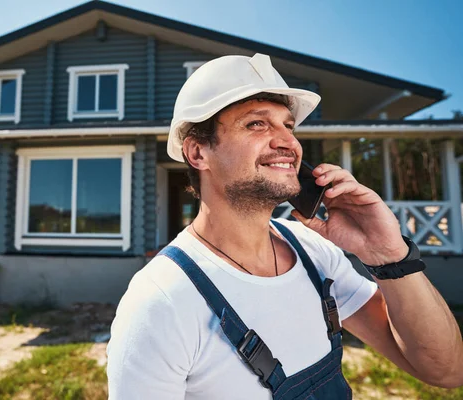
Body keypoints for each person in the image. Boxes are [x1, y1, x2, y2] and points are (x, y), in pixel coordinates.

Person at [106, 54, 463, 399]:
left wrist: (389, 256)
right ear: (198, 153)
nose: (289, 142)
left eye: (288, 126)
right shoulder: (161, 301)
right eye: (257, 124)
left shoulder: (314, 251)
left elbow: (445, 371)